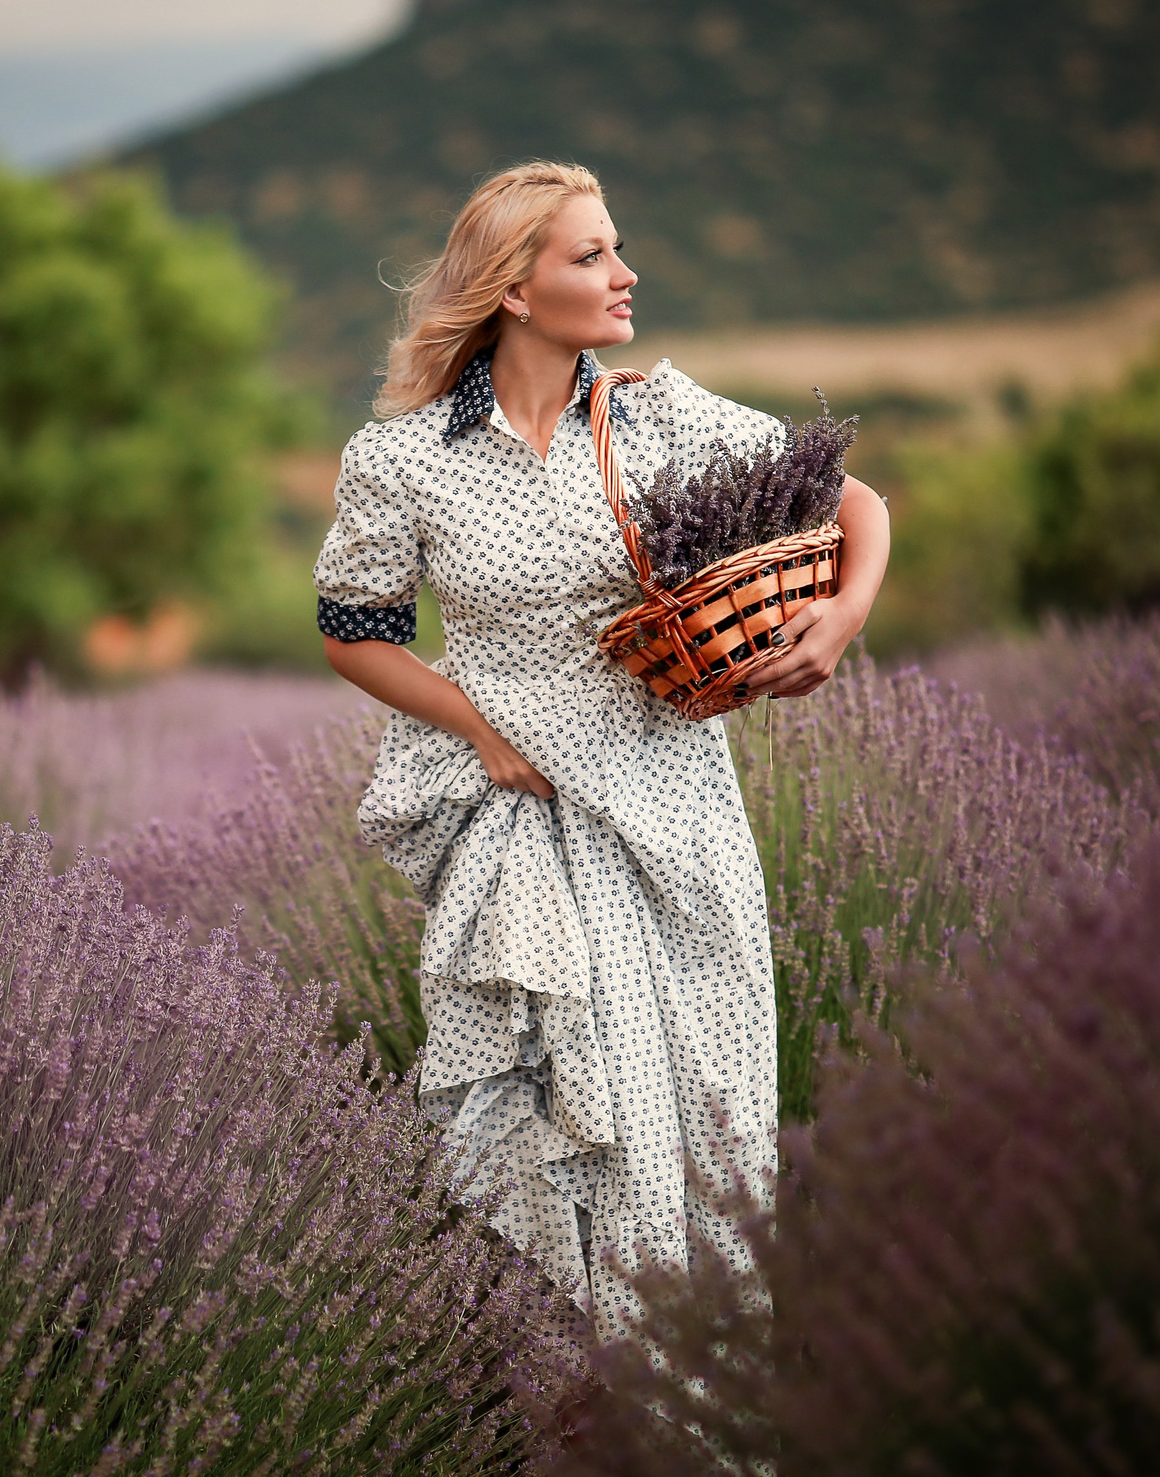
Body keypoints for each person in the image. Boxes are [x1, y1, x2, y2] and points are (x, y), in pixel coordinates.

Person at [314, 161, 890, 1338]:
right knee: (584, 1105)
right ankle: (586, 1410)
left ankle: (701, 1437)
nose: (624, 275)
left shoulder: (661, 417)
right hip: (521, 815)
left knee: (711, 1107)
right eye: (590, 256)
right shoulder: (404, 460)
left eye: (616, 249)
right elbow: (355, 635)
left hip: (676, 805)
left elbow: (853, 504)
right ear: (513, 289)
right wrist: (481, 732)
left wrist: (841, 616)